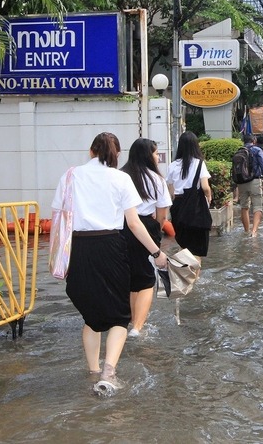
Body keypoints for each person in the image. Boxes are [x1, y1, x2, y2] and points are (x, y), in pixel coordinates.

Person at [51, 132, 167, 395]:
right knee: (118, 316)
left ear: (91, 151)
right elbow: (134, 223)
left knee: (91, 316)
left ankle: (92, 372)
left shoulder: (71, 175)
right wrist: (156, 252)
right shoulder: (120, 178)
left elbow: (58, 216)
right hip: (112, 247)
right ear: (117, 155)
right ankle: (109, 373)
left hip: (80, 247)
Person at [120, 138, 172, 338]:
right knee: (146, 281)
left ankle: (132, 321)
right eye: (156, 153)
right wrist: (155, 231)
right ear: (147, 155)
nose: (157, 157)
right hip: (145, 229)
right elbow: (162, 215)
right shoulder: (156, 179)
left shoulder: (120, 175)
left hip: (120, 228)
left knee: (131, 278)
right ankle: (137, 328)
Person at [166, 131, 212, 258]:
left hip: (178, 207)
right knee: (197, 248)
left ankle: (184, 275)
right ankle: (195, 277)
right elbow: (205, 187)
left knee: (183, 245)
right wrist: (209, 197)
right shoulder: (199, 163)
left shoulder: (173, 165)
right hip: (195, 207)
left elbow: (171, 191)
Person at [237, 134, 263, 237]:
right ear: (254, 140)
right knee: (257, 206)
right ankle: (254, 232)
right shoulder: (257, 150)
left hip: (241, 183)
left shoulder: (239, 151)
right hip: (254, 181)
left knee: (244, 207)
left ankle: (246, 231)